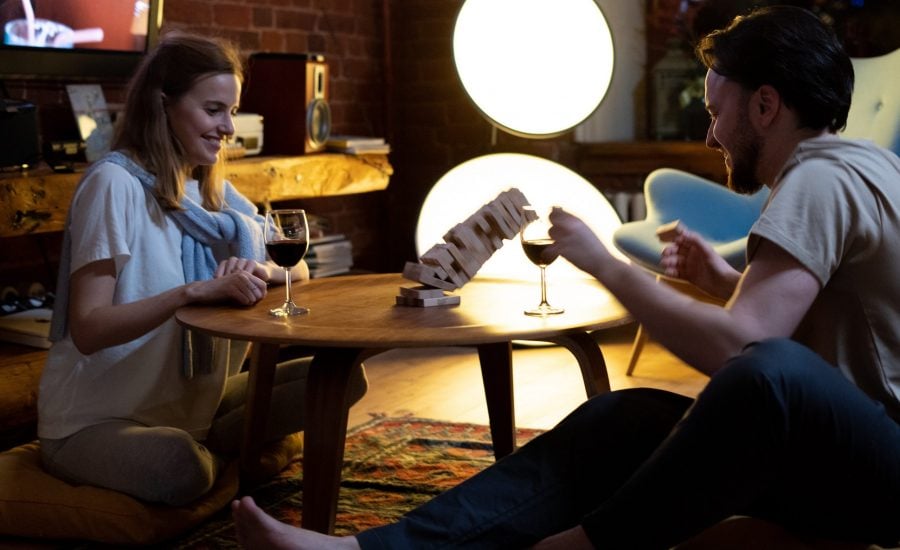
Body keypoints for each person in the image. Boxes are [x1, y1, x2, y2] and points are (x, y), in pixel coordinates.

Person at [231, 6, 900, 549]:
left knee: (763, 376)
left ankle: (582, 546)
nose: (710, 134)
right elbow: (835, 321)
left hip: (883, 472)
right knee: (623, 416)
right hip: (850, 445)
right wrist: (726, 281)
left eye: (716, 110)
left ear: (764, 107)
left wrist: (606, 263)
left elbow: (744, 351)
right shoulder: (861, 165)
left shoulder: (818, 178)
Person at [37, 33, 367, 506]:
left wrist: (256, 269)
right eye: (214, 110)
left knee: (343, 380)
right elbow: (88, 329)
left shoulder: (211, 196)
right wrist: (192, 292)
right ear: (162, 105)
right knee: (181, 468)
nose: (228, 127)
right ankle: (231, 453)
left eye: (231, 112)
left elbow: (300, 273)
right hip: (95, 422)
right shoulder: (113, 185)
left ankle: (219, 443)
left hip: (187, 408)